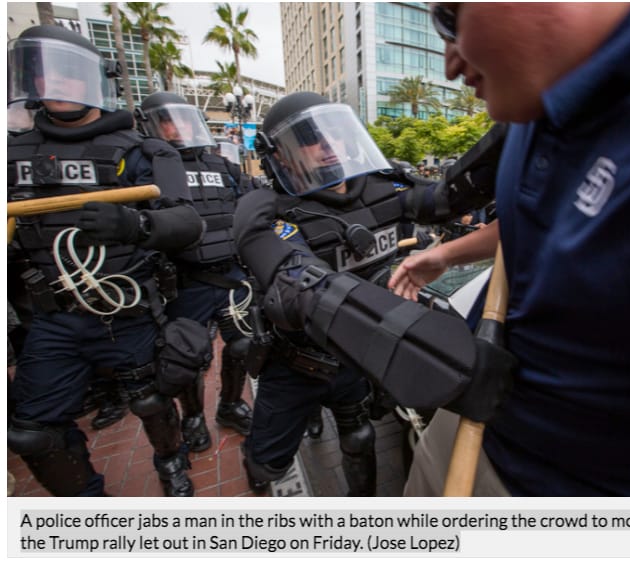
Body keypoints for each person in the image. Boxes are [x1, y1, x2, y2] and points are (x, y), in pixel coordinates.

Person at [388, 3, 630, 496]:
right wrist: (446, 256)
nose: (449, 62)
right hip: (469, 431)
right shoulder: (536, 86)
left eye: (451, 17)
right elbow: (555, 219)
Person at [233, 91, 513, 495]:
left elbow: (449, 197)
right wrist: (439, 358)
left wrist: (523, 139)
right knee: (266, 464)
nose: (329, 146)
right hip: (298, 365)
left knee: (359, 438)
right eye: (311, 138)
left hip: (355, 361)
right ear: (281, 154)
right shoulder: (266, 209)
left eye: (335, 133)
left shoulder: (380, 187)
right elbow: (297, 285)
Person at [7, 25, 204, 497]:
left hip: (126, 310)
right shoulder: (11, 154)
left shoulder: (139, 152)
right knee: (31, 429)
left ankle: (171, 459)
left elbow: (186, 221)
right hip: (53, 318)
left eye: (69, 75)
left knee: (152, 402)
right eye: (44, 74)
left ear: (96, 80)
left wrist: (134, 226)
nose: (57, 86)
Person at [137, 92, 256, 450]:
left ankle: (231, 404)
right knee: (187, 357)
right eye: (170, 120)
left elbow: (249, 208)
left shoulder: (225, 167)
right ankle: (192, 417)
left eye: (186, 118)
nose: (181, 127)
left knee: (244, 344)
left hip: (231, 275)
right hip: (184, 283)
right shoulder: (146, 170)